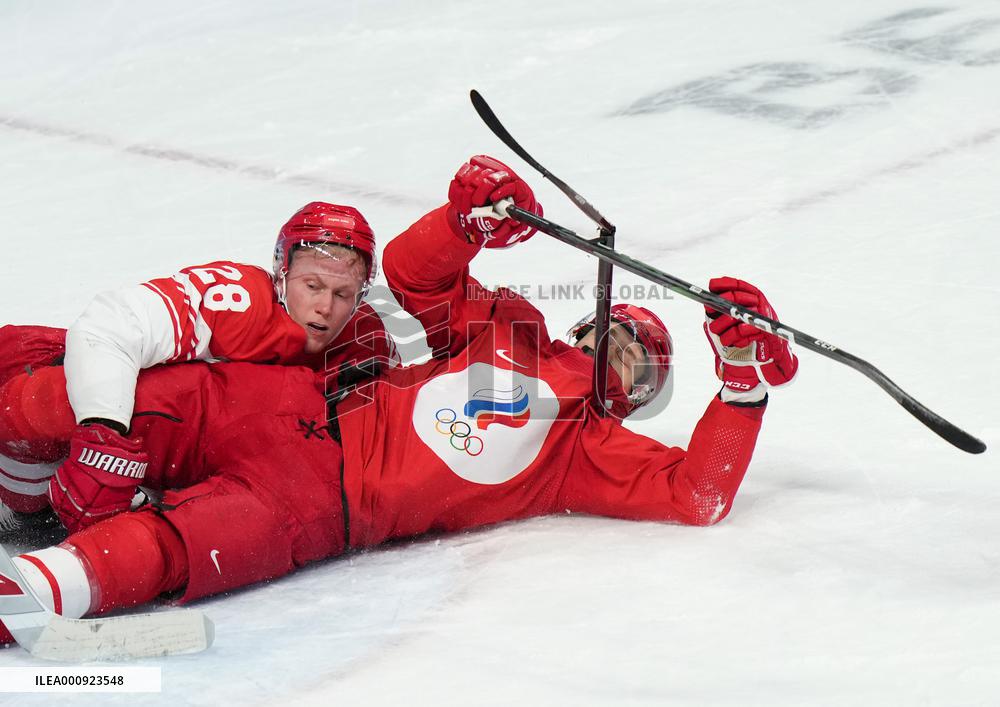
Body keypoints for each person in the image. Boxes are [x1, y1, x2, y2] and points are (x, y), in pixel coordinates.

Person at [0, 155, 796, 647]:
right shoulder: (508, 327)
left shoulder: (588, 451)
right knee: (135, 399)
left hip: (324, 503)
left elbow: (701, 494)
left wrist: (740, 378)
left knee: (178, 544)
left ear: (633, 404)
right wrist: (465, 220)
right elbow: (419, 278)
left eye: (638, 368)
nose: (617, 360)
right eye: (616, 337)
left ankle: (28, 595)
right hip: (291, 399)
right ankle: (18, 470)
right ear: (586, 321)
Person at [0, 202, 396, 530]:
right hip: (42, 373)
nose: (326, 307)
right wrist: (104, 434)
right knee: (30, 413)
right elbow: (112, 325)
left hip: (135, 451)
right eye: (312, 286)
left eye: (343, 293)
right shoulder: (239, 300)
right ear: (282, 273)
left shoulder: (364, 344)